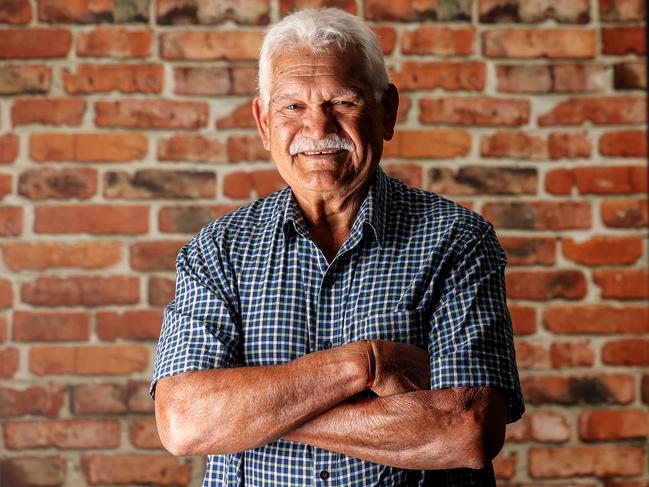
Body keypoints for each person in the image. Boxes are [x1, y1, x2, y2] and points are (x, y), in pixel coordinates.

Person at [149, 7, 524, 486]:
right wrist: (366, 363)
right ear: (263, 122)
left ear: (387, 110)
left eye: (342, 102)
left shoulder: (457, 240)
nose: (317, 129)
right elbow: (183, 423)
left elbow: (466, 431)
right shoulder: (216, 250)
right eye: (292, 107)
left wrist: (256, 417)